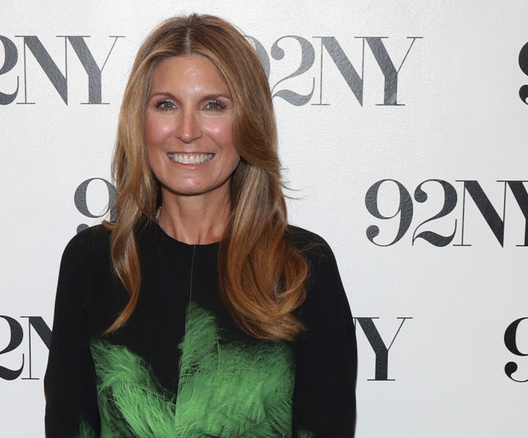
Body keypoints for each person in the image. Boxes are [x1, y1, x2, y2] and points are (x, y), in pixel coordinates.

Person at [45, 14, 356, 437]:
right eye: (166, 105)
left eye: (213, 105)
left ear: (248, 120)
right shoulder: (95, 263)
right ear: (140, 121)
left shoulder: (301, 267)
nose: (187, 131)